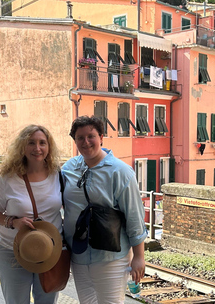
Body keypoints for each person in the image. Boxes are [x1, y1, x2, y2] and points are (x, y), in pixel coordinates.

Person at [62, 115, 147, 304]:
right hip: (79, 255)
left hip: (111, 258)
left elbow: (134, 215)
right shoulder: (69, 168)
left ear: (101, 137)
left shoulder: (120, 172)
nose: (86, 142)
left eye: (91, 136)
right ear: (74, 141)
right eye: (80, 138)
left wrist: (139, 256)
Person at [0, 125, 62, 304]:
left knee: (47, 302)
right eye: (31, 143)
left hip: (49, 251)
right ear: (22, 147)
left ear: (49, 147)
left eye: (42, 143)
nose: (37, 148)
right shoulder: (8, 178)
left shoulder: (57, 174)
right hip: (12, 251)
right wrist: (13, 222)